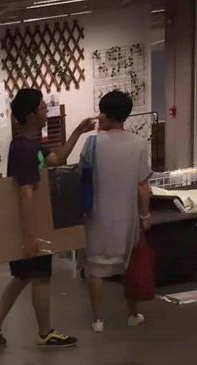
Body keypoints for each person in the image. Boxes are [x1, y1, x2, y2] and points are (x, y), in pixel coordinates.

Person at [0, 88, 96, 349]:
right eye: (43, 108)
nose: (47, 111)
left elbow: (57, 160)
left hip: (30, 224)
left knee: (23, 277)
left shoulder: (31, 145)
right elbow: (25, 193)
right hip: (32, 225)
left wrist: (77, 132)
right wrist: (30, 236)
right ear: (31, 115)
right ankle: (45, 332)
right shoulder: (23, 149)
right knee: (41, 277)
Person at [81, 91, 151, 331]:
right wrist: (145, 215)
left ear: (109, 115)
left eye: (102, 112)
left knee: (95, 269)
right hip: (127, 217)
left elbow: (83, 175)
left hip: (97, 215)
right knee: (130, 265)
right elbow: (142, 185)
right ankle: (132, 314)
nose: (98, 117)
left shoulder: (93, 144)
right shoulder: (139, 144)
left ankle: (97, 320)